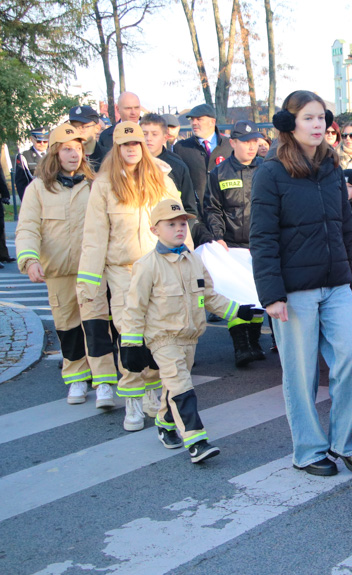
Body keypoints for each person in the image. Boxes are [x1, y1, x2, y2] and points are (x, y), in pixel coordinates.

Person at [250, 90, 352, 477]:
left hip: (337, 284)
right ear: (289, 124)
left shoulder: (333, 167)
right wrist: (272, 295)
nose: (319, 125)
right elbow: (262, 236)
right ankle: (309, 450)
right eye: (310, 118)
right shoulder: (271, 172)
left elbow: (346, 227)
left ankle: (346, 442)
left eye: (322, 118)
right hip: (294, 291)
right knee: (300, 375)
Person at [119, 199, 255, 463]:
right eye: (171, 224)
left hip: (190, 337)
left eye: (183, 223)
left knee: (174, 385)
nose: (179, 228)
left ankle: (164, 421)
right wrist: (131, 344)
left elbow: (208, 297)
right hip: (163, 339)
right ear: (154, 230)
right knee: (182, 384)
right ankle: (196, 440)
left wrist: (238, 311)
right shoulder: (147, 265)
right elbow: (134, 307)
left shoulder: (194, 261)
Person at [78, 121, 192, 432]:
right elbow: (94, 237)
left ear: (143, 146)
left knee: (157, 335)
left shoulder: (162, 179)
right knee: (130, 335)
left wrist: (190, 262)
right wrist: (88, 283)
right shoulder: (103, 185)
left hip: (159, 268)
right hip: (123, 272)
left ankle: (152, 389)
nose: (131, 149)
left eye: (136, 144)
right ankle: (131, 396)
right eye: (125, 145)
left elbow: (179, 222)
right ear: (115, 148)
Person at [15, 124, 118, 406]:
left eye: (79, 148)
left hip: (92, 271)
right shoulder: (38, 189)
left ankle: (105, 382)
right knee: (68, 328)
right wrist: (29, 259)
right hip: (58, 271)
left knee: (97, 326)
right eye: (68, 149)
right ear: (55, 153)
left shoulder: (95, 184)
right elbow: (27, 229)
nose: (75, 154)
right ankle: (75, 379)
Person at [204, 120, 266, 366]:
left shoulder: (266, 169)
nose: (252, 147)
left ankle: (254, 342)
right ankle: (242, 346)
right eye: (246, 142)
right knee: (237, 295)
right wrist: (217, 236)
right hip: (231, 245)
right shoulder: (219, 172)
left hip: (261, 244)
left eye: (255, 142)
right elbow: (212, 207)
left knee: (258, 294)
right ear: (233, 143)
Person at [139, 113, 204, 242]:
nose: (148, 139)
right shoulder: (130, 165)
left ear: (165, 138)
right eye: (144, 134)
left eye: (154, 134)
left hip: (168, 240)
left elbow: (189, 208)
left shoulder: (177, 167)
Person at [173, 103, 232, 235]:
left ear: (212, 121)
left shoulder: (229, 146)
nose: (194, 123)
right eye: (192, 120)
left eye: (199, 119)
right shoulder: (181, 148)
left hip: (228, 217)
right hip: (197, 218)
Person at [14, 126, 49, 200]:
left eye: (45, 141)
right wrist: (26, 201)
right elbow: (21, 183)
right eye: (38, 141)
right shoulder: (24, 157)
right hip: (35, 197)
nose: (42, 143)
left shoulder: (54, 154)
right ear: (32, 139)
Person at [68, 105, 107, 172]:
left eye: (83, 127)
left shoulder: (108, 157)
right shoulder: (66, 157)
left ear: (97, 128)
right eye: (74, 127)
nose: (78, 131)